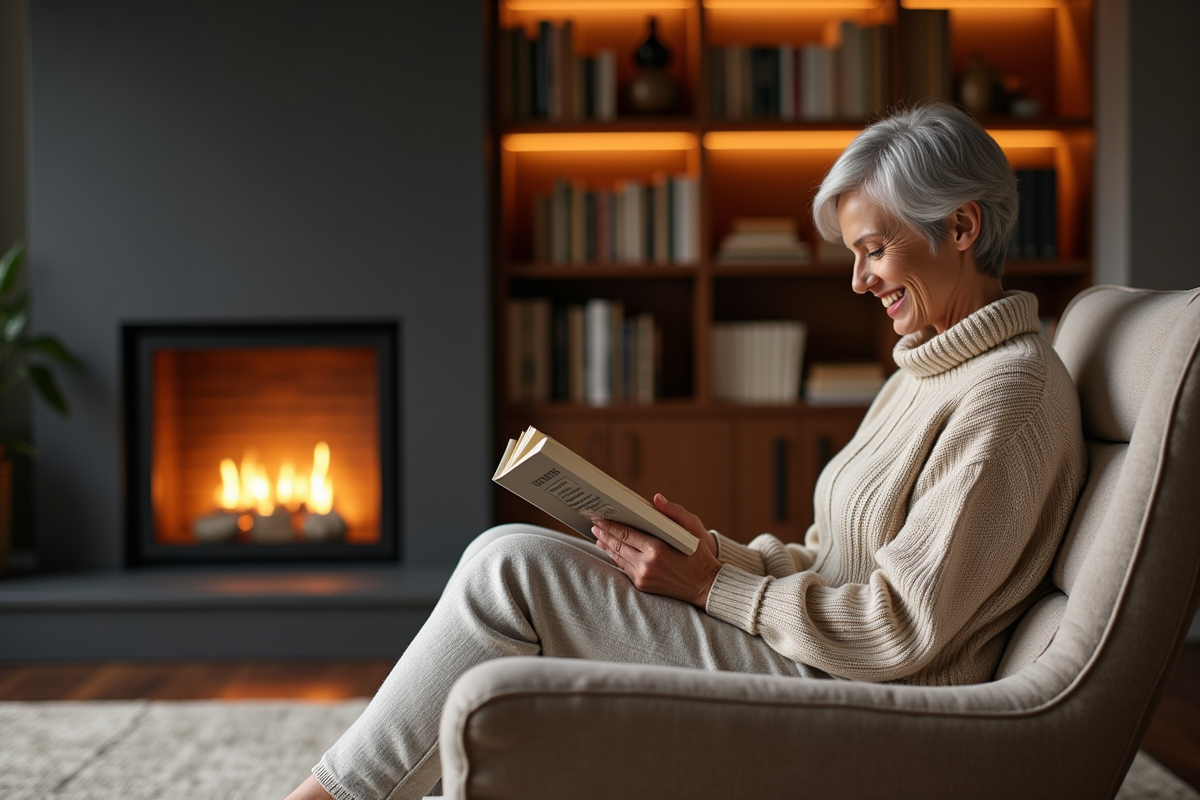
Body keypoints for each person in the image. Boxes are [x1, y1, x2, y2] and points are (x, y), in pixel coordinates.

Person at [286, 102, 1086, 800]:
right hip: (815, 652)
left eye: (873, 249)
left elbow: (902, 630)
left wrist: (714, 589)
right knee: (512, 570)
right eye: (855, 254)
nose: (857, 280)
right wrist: (715, 558)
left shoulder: (1005, 397)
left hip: (868, 697)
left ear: (962, 226)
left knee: (511, 570)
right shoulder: (929, 369)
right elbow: (828, 560)